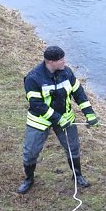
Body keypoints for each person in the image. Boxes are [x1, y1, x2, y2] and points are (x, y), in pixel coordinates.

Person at [17, 45, 98, 194]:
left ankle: (77, 175)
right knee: (30, 152)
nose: (64, 62)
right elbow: (36, 105)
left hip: (66, 119)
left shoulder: (67, 73)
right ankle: (29, 179)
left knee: (73, 149)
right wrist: (57, 118)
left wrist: (89, 113)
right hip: (39, 121)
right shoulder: (33, 78)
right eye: (61, 60)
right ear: (50, 62)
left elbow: (79, 93)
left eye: (64, 58)